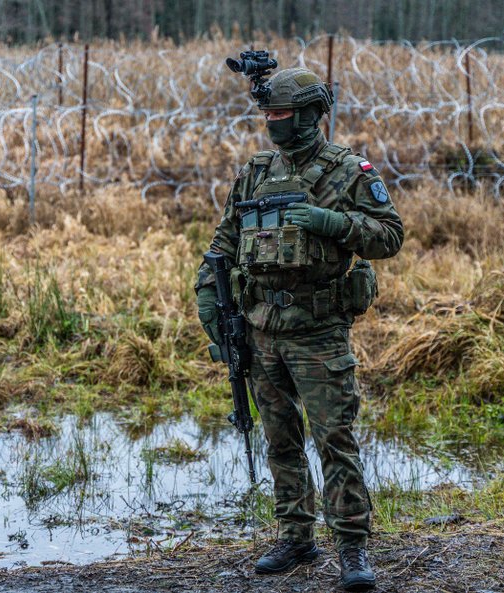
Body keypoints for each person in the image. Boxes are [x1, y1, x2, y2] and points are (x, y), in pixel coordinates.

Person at [194, 67, 403, 591]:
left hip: (318, 328)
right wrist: (208, 300)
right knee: (279, 436)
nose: (272, 123)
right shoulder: (256, 171)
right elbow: (221, 245)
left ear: (311, 115)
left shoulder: (348, 170)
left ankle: (352, 546)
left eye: (282, 114)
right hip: (261, 325)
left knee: (334, 436)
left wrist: (330, 223)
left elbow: (390, 235)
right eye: (267, 115)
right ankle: (296, 535)